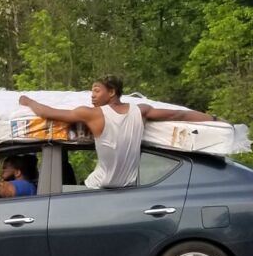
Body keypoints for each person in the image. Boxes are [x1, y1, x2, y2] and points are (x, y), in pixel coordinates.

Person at [19, 75, 218, 189]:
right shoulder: (140, 111)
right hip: (128, 188)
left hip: (97, 187)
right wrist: (214, 119)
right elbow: (178, 115)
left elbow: (49, 113)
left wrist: (27, 101)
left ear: (112, 92)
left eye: (96, 90)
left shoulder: (93, 115)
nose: (92, 95)